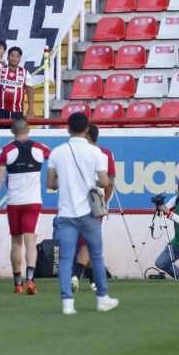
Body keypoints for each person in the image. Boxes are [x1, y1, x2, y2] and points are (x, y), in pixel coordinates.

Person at [46, 112, 118, 315]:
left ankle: (67, 303)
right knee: (96, 255)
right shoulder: (97, 153)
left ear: (68, 129)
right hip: (89, 213)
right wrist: (89, 180)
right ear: (87, 130)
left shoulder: (57, 153)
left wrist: (68, 180)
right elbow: (105, 182)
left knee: (66, 258)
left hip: (66, 213)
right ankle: (102, 299)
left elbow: (50, 184)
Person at [0, 117, 51, 295]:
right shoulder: (40, 148)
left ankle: (17, 283)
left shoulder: (6, 151)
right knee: (31, 242)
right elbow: (55, 160)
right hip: (33, 202)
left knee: (16, 243)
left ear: (12, 131)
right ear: (29, 130)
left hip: (14, 202)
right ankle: (30, 279)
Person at [72, 124, 116, 292]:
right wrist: (104, 201)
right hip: (96, 199)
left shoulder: (76, 153)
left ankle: (93, 280)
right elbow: (110, 183)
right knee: (90, 241)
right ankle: (76, 274)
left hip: (77, 199)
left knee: (86, 240)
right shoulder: (105, 154)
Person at [0, 46, 35, 120]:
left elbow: (30, 91)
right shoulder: (0, 69)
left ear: (20, 59)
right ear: (8, 57)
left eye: (17, 57)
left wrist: (30, 109)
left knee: (16, 131)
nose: (14, 59)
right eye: (12, 56)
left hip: (17, 112)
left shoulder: (25, 72)